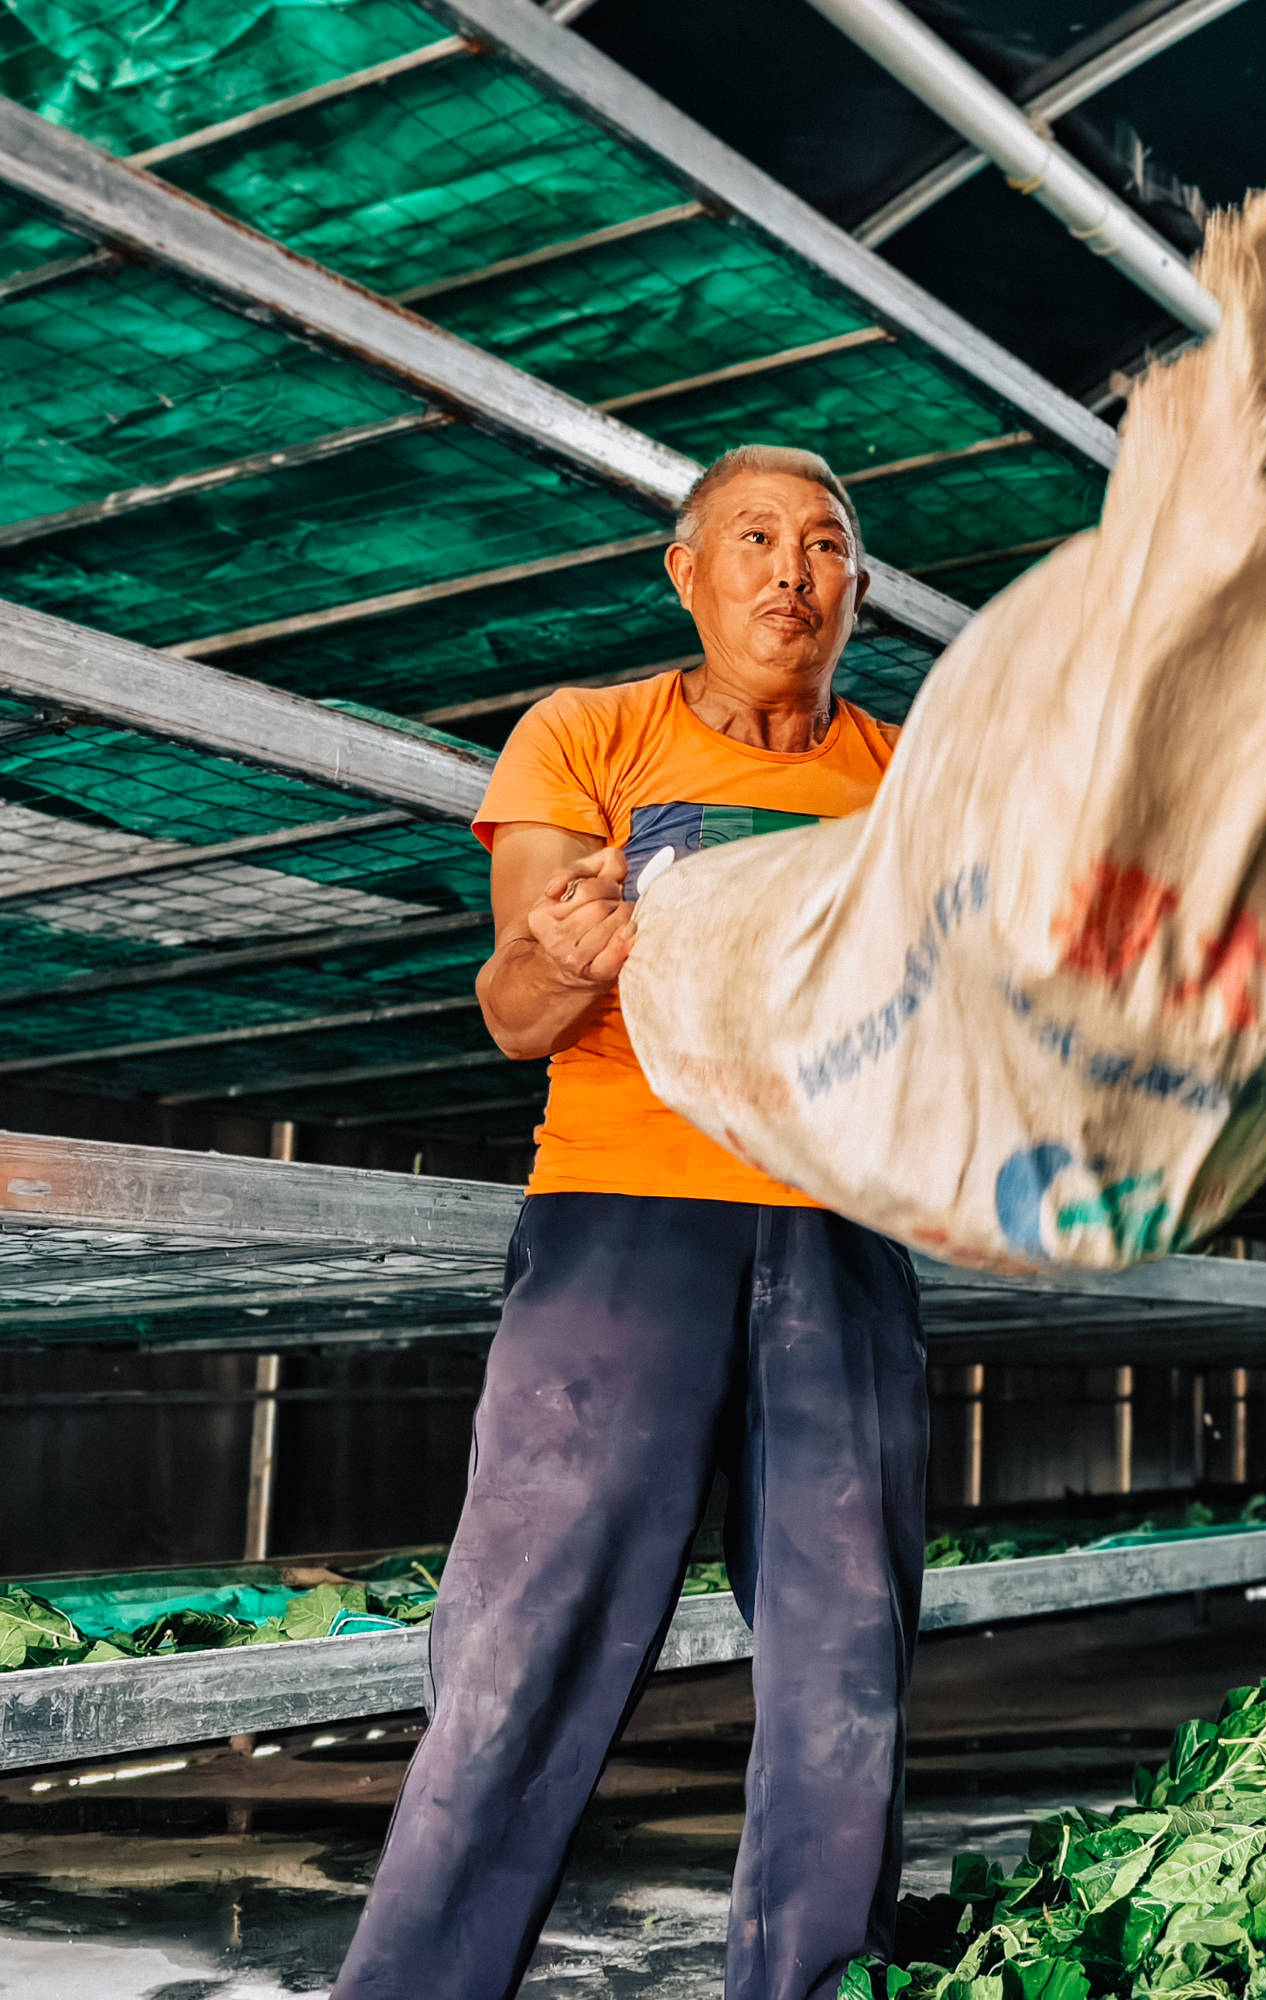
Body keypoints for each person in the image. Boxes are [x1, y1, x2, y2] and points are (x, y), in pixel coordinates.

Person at [333, 446, 924, 2000]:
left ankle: (813, 1982)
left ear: (856, 588)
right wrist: (580, 951)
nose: (790, 572)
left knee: (844, 1670)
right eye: (753, 539)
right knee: (522, 1651)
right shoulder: (589, 736)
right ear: (688, 572)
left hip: (841, 1229)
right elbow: (515, 1014)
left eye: (824, 545)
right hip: (623, 1220)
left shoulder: (908, 772)